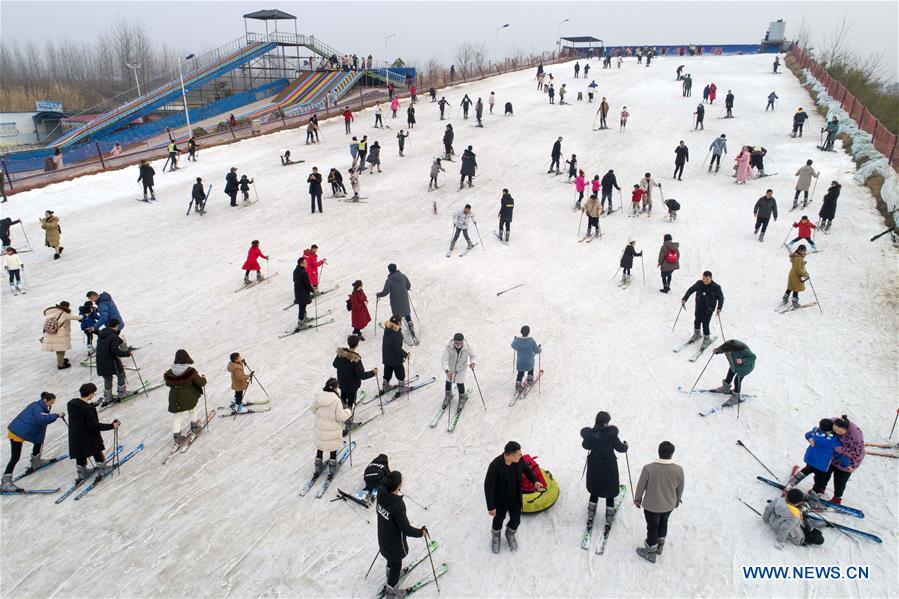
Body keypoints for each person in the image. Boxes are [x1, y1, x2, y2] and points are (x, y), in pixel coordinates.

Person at [484, 441, 545, 553]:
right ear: (510, 456)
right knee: (498, 519)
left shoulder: (519, 460)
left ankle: (510, 534)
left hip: (515, 497)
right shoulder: (495, 466)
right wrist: (491, 506)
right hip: (501, 500)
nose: (521, 455)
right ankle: (496, 536)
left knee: (516, 520)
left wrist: (535, 481)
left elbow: (527, 470)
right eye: (518, 454)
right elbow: (488, 486)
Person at [377, 470, 427, 599]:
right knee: (396, 565)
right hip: (395, 545)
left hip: (383, 538)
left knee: (390, 560)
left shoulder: (380, 493)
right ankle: (392, 594)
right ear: (399, 485)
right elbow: (406, 529)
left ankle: (390, 576)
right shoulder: (397, 506)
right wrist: (421, 532)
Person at [634, 441, 685, 563]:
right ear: (671, 454)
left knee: (652, 528)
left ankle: (651, 553)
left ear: (659, 452)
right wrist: (678, 499)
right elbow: (680, 487)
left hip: (652, 506)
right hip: (669, 505)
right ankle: (660, 547)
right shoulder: (678, 469)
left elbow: (641, 485)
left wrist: (638, 498)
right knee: (663, 523)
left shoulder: (648, 468)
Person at [2, 392, 64, 491]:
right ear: (45, 400)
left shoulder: (37, 405)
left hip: (22, 430)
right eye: (50, 403)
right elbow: (41, 419)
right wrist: (56, 415)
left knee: (38, 442)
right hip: (17, 433)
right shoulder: (38, 409)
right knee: (15, 457)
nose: (51, 405)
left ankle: (36, 462)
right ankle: (5, 482)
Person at [580, 411, 628, 531]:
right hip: (609, 467)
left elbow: (585, 446)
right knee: (610, 492)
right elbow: (621, 449)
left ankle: (591, 516)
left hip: (595, 466)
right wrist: (626, 445)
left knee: (595, 490)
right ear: (606, 423)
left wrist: (591, 435)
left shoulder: (591, 434)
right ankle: (609, 520)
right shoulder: (611, 435)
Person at [67, 383, 119, 482]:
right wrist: (112, 426)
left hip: (75, 436)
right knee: (96, 450)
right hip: (88, 435)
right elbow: (94, 426)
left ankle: (82, 473)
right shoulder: (88, 409)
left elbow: (81, 412)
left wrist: (91, 405)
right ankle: (102, 470)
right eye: (93, 393)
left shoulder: (72, 403)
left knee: (80, 453)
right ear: (90, 394)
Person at [785, 419, 850, 493]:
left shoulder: (815, 432)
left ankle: (792, 482)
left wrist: (809, 439)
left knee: (806, 470)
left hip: (810, 459)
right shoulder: (836, 441)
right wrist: (846, 465)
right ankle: (814, 494)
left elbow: (807, 434)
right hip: (821, 466)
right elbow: (841, 454)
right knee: (819, 481)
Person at [164, 349, 207, 445]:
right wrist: (203, 378)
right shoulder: (190, 371)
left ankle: (177, 436)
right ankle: (194, 428)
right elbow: (201, 382)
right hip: (188, 397)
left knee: (177, 416)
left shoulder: (169, 372)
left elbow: (168, 383)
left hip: (175, 399)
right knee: (192, 410)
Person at [333, 335, 377, 427]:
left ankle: (341, 414)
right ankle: (349, 422)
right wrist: (373, 373)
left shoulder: (341, 354)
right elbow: (361, 375)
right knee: (350, 403)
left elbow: (335, 364)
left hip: (342, 383)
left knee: (343, 398)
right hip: (352, 386)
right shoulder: (356, 359)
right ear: (357, 345)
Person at [312, 377, 351, 475]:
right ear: (334, 388)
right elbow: (341, 417)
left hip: (320, 428)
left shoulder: (319, 396)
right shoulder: (336, 400)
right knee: (332, 446)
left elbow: (313, 409)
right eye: (337, 387)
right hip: (332, 429)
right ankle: (333, 466)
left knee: (321, 445)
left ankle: (318, 464)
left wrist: (322, 416)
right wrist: (348, 412)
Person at [681, 271, 724, 350]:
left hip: (708, 309)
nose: (705, 280)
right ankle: (697, 334)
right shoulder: (699, 283)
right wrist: (685, 298)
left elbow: (721, 298)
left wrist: (719, 308)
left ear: (711, 278)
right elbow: (691, 290)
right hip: (699, 307)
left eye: (707, 279)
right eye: (703, 278)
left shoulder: (716, 287)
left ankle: (707, 339)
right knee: (697, 321)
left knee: (705, 324)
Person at [96, 318, 131, 406]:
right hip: (111, 361)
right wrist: (126, 353)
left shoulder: (101, 334)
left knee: (107, 377)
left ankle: (108, 397)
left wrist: (120, 341)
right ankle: (122, 394)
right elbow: (115, 351)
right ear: (116, 326)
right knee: (121, 374)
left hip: (100, 361)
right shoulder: (113, 336)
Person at [376, 264, 414, 336]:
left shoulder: (389, 280)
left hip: (395, 302)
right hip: (404, 299)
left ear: (389, 270)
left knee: (397, 317)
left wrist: (378, 294)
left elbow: (385, 292)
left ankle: (398, 330)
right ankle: (411, 327)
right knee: (407, 314)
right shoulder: (403, 276)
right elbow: (408, 286)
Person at [41, 300, 81, 369]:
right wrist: (84, 315)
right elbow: (77, 317)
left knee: (58, 348)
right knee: (61, 349)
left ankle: (61, 360)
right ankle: (60, 365)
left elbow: (45, 324)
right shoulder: (63, 314)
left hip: (50, 333)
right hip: (59, 334)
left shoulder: (52, 312)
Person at [441, 333, 476, 409]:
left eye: (460, 343)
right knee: (448, 382)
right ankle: (447, 396)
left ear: (463, 341)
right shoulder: (449, 347)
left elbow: (473, 356)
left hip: (461, 368)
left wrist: (472, 363)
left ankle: (462, 399)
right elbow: (444, 359)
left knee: (460, 383)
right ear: (454, 341)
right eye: (456, 343)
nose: (458, 345)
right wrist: (447, 371)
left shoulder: (467, 347)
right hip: (451, 368)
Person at [381, 316, 409, 393]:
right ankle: (401, 388)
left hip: (386, 356)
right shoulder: (398, 334)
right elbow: (397, 349)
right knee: (400, 373)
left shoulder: (387, 329)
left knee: (387, 371)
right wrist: (405, 354)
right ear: (399, 323)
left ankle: (385, 386)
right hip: (395, 359)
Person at [511, 326, 541, 391]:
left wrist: (515, 339)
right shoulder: (531, 341)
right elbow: (537, 351)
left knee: (520, 373)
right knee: (531, 368)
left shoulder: (517, 341)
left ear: (521, 332)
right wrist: (539, 348)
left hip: (520, 363)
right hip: (529, 362)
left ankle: (518, 384)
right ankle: (530, 379)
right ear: (528, 332)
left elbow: (513, 345)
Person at [292, 256, 315, 332]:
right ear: (301, 264)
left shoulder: (296, 270)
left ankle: (304, 318)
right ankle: (301, 323)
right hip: (303, 293)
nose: (306, 264)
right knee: (302, 307)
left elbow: (294, 280)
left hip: (298, 292)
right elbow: (307, 284)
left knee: (302, 306)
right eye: (305, 263)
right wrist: (312, 290)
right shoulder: (303, 272)